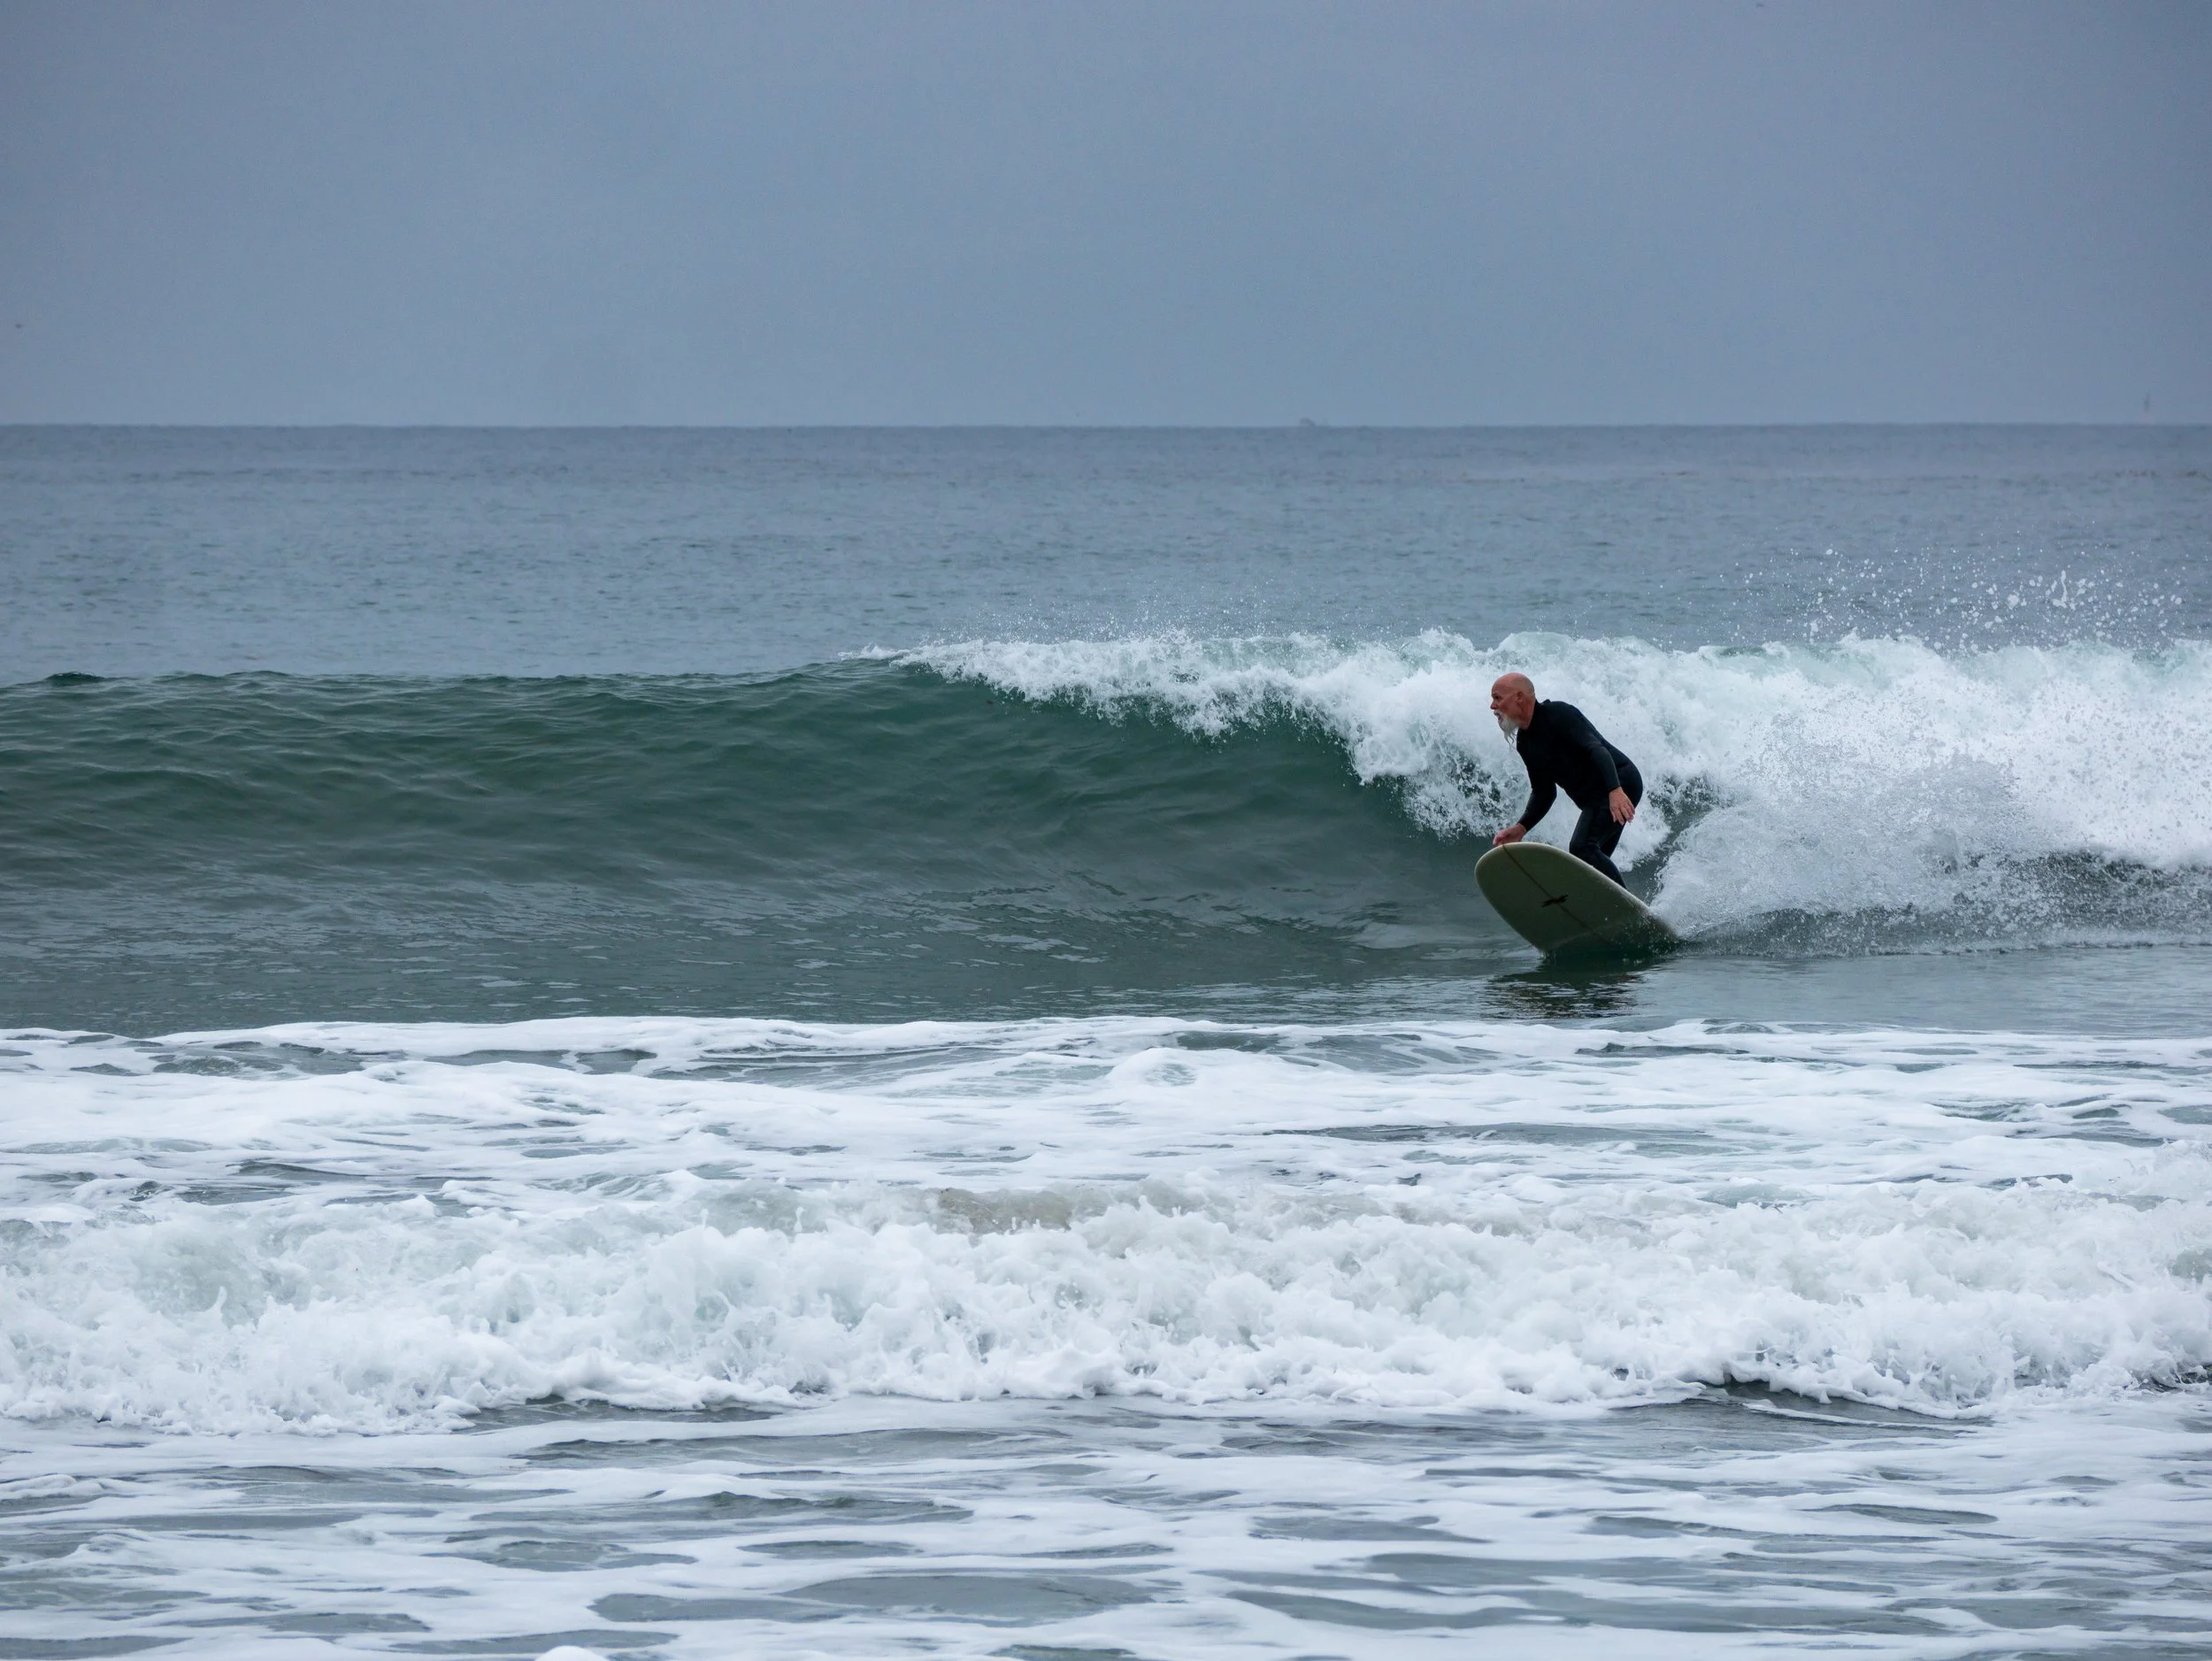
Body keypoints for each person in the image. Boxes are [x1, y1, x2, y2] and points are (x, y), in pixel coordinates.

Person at [1488, 673, 1644, 886]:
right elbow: (1544, 792)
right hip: (1598, 797)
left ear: (1519, 697)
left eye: (1497, 698)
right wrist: (1521, 827)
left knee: (1583, 847)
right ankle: (1607, 914)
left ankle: (1631, 912)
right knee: (1591, 868)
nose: (1492, 706)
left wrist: (1615, 790)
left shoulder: (1559, 714)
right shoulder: (1525, 743)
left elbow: (1596, 749)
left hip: (1619, 782)